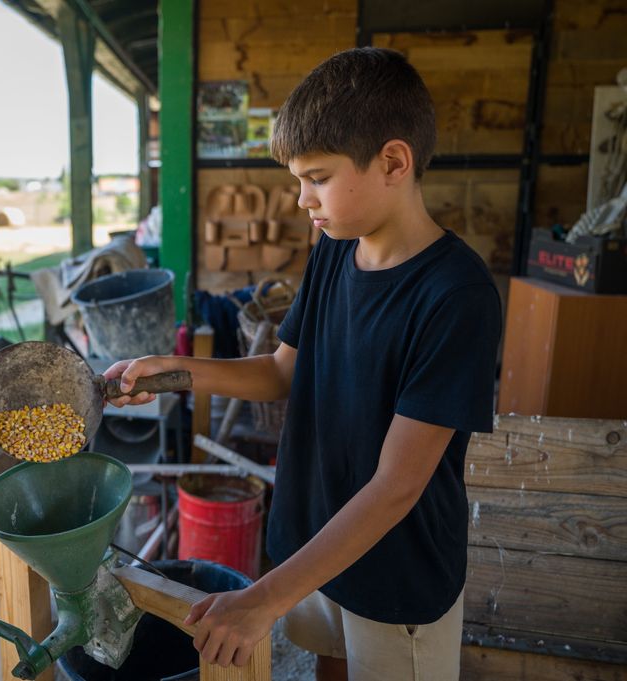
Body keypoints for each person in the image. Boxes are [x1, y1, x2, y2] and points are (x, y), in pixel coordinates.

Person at [106, 47, 501, 681]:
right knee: (329, 666)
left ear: (393, 162)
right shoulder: (335, 250)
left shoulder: (457, 297)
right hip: (318, 543)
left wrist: (262, 598)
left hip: (397, 569)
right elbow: (282, 371)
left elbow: (398, 486)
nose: (300, 199)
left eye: (316, 177)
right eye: (297, 180)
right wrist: (172, 371)